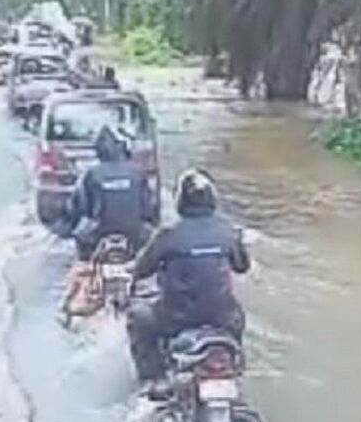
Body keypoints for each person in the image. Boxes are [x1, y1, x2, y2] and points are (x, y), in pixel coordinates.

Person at [127, 168, 251, 383]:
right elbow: (242, 266)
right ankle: (235, 367)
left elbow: (142, 269)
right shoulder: (228, 231)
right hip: (222, 319)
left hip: (176, 318)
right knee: (238, 317)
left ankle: (152, 380)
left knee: (138, 318)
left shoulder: (169, 234)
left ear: (180, 201)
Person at [65, 125, 155, 262]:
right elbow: (149, 209)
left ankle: (85, 271)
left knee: (82, 256)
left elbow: (78, 207)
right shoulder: (138, 172)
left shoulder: (91, 174)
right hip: (136, 234)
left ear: (98, 151)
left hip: (97, 233)